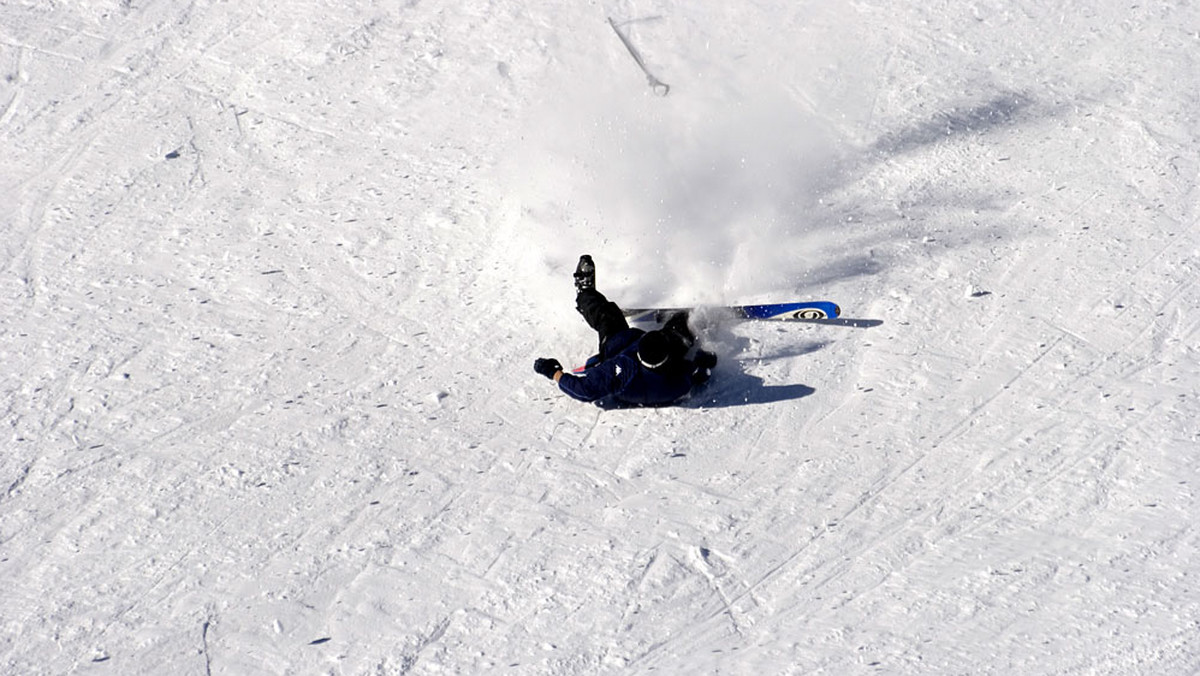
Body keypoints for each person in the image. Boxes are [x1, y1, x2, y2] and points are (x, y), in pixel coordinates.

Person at [534, 255, 717, 407]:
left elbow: (584, 391)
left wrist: (553, 372)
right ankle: (697, 319)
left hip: (617, 344)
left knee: (607, 315)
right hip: (656, 361)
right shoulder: (677, 380)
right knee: (682, 328)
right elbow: (696, 374)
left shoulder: (620, 371)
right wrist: (703, 363)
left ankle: (585, 291)